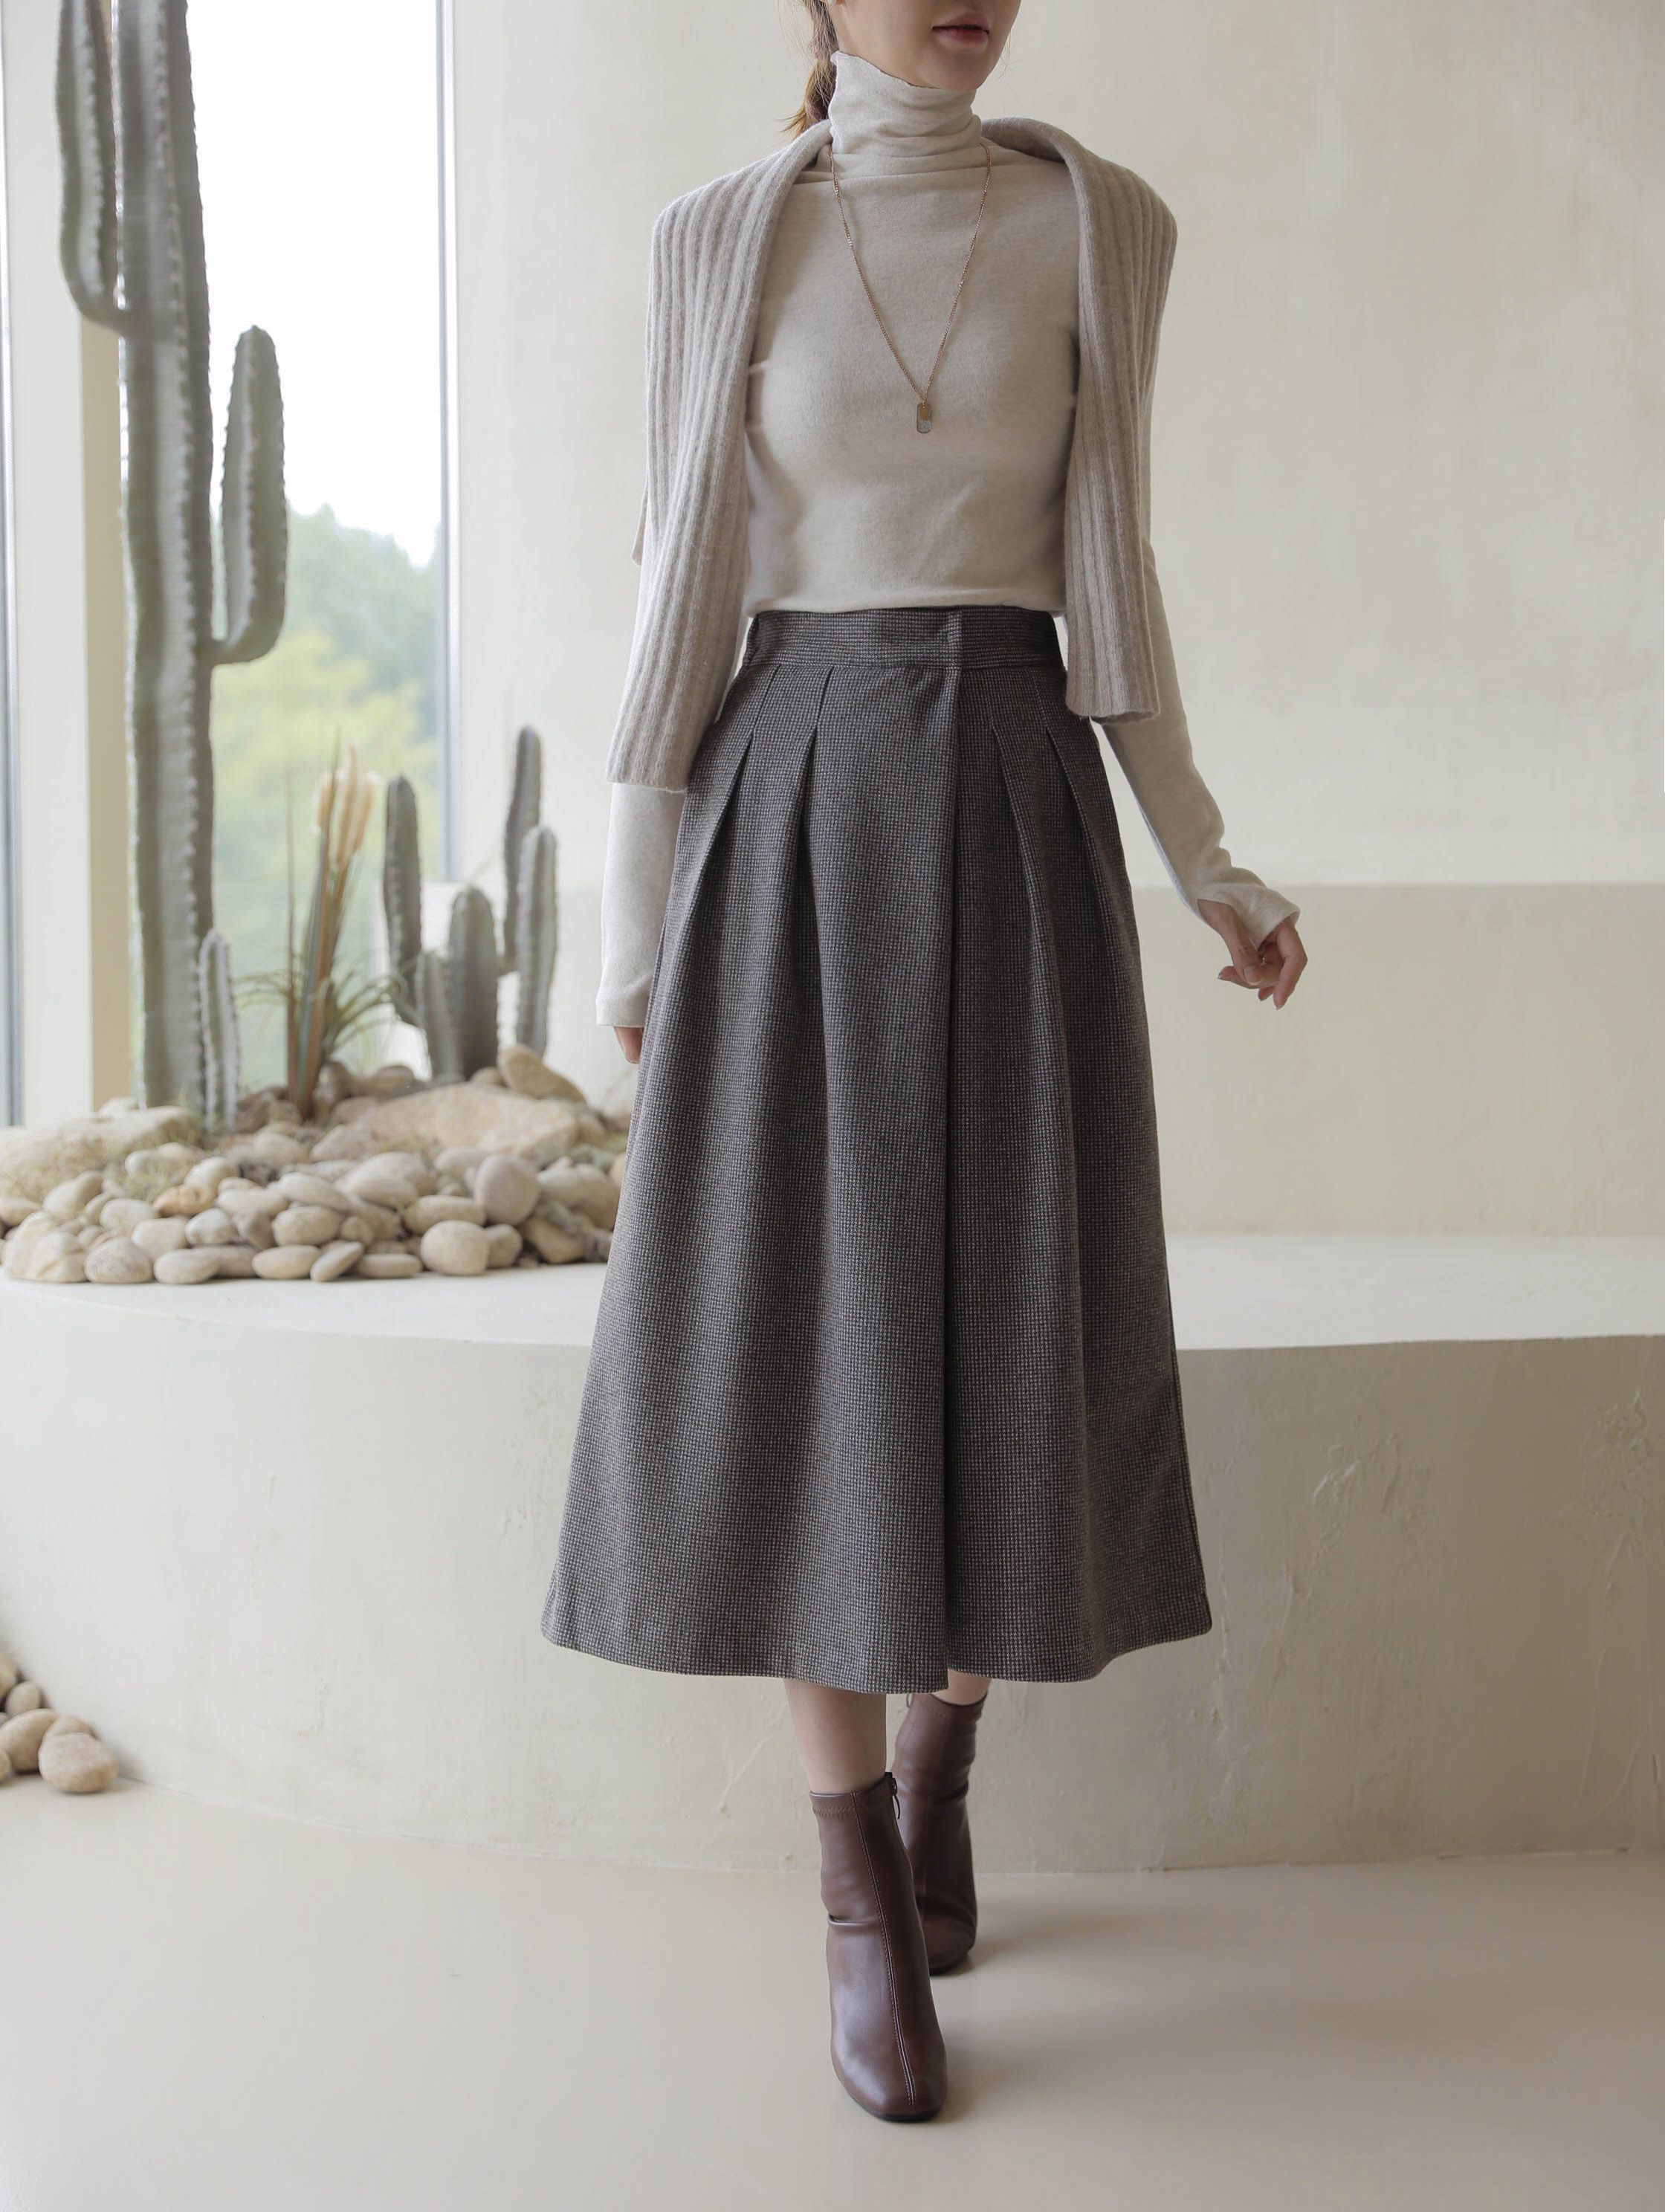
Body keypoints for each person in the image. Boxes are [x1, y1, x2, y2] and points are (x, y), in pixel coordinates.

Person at [542, 0, 1307, 2121]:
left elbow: (1115, 584)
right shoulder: (720, 233)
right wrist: (632, 933)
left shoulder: (1101, 220)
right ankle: (859, 1888)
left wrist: (1210, 863)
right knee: (813, 1337)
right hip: (788, 799)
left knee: (1008, 1322)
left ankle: (941, 1765)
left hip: (1017, 798)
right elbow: (674, 597)